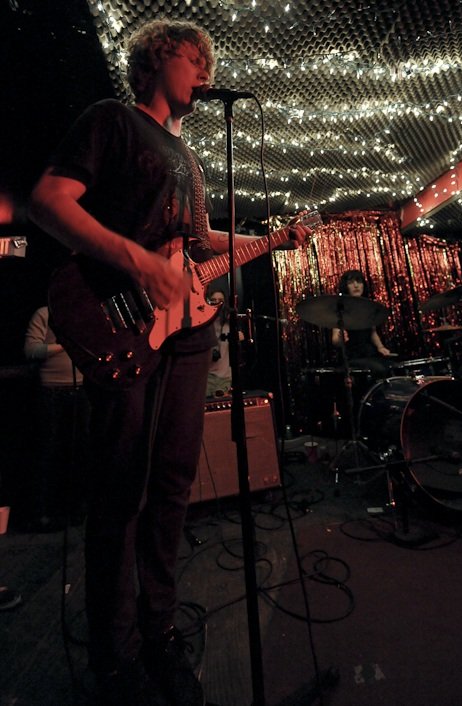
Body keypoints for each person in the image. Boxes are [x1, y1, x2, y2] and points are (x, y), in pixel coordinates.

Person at [28, 18, 311, 706]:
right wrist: (139, 262)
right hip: (121, 318)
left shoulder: (189, 158)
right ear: (155, 61)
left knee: (174, 486)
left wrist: (272, 240)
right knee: (120, 489)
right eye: (193, 57)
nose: (206, 71)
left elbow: (200, 239)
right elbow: (47, 201)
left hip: (186, 333)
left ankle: (159, 630)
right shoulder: (114, 121)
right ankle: (115, 653)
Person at [23, 306, 90, 531]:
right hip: (50, 391)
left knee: (78, 452)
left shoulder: (83, 313)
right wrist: (63, 345)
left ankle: (74, 509)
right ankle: (41, 513)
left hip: (80, 391)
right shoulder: (44, 314)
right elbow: (31, 350)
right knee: (47, 452)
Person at [331, 269, 394, 378]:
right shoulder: (341, 310)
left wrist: (380, 347)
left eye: (359, 282)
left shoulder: (368, 307)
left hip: (369, 353)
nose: (356, 285)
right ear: (345, 287)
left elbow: (372, 332)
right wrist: (340, 338)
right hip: (352, 356)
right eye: (351, 283)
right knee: (380, 369)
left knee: (394, 365)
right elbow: (335, 340)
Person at [205, 288, 245, 397]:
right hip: (207, 376)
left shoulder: (229, 323)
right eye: (214, 300)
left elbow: (241, 336)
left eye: (220, 300)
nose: (217, 303)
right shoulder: (205, 324)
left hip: (224, 377)